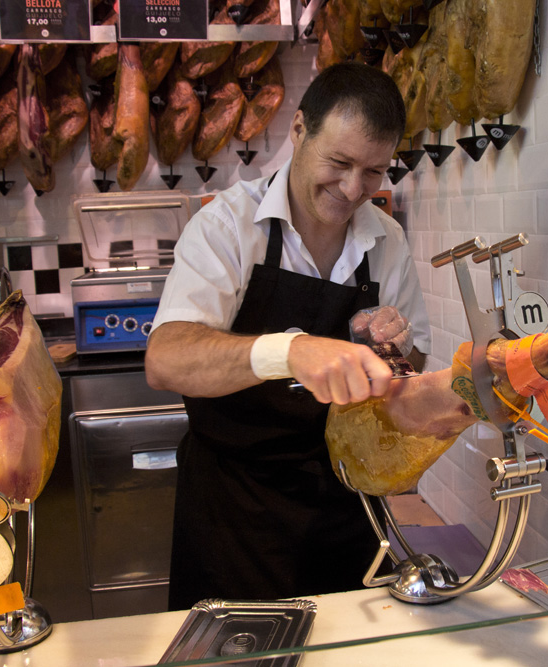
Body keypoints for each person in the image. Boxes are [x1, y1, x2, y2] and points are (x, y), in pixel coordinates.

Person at [144, 62, 431, 610]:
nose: (353, 189)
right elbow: (166, 358)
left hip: (346, 505)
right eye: (340, 162)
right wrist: (290, 350)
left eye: (373, 172)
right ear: (299, 130)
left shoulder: (386, 239)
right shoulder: (227, 226)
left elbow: (411, 365)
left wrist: (390, 351)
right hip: (234, 514)